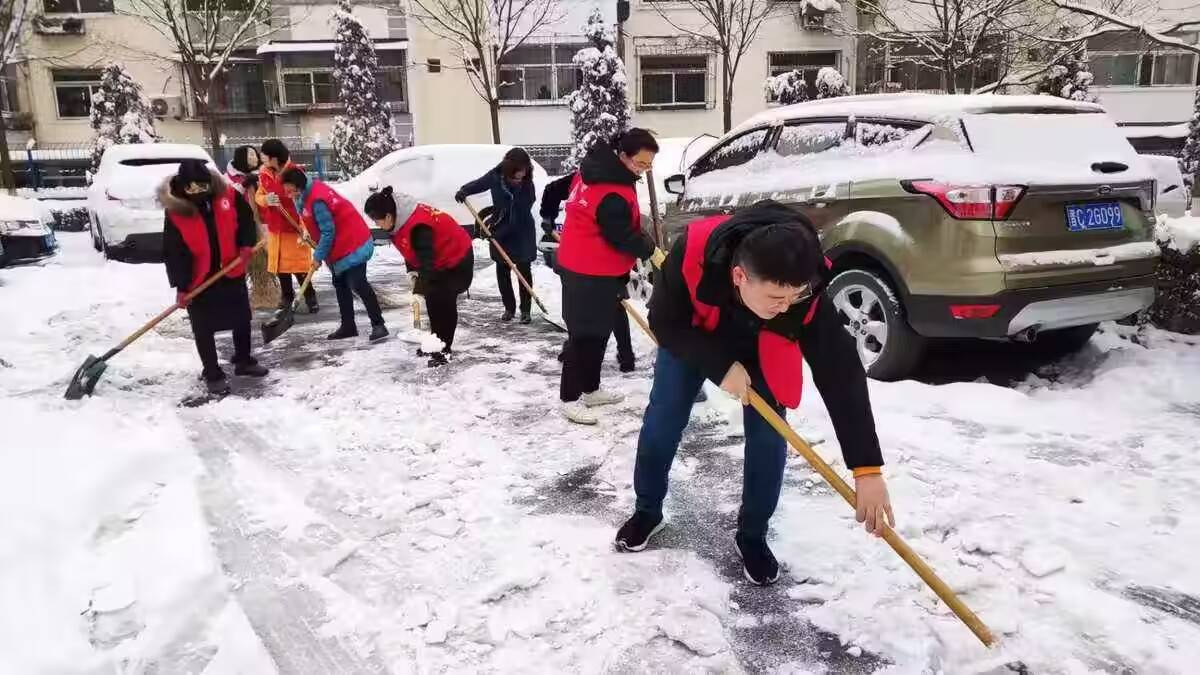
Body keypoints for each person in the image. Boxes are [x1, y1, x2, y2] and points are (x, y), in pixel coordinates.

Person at [613, 201, 894, 586]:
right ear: (740, 276)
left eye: (793, 297)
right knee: (663, 420)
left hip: (764, 346)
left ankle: (753, 535)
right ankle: (647, 510)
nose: (786, 307)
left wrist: (866, 469)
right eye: (776, 298)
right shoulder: (692, 252)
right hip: (695, 335)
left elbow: (840, 373)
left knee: (768, 438)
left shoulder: (803, 286)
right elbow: (664, 320)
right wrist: (719, 365)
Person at [555, 129, 661, 425]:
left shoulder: (596, 172)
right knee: (584, 336)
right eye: (641, 163)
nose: (644, 170)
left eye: (649, 164)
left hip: (596, 268)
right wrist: (649, 247)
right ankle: (570, 398)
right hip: (586, 272)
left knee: (599, 331)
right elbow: (622, 237)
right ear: (622, 155)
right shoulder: (611, 191)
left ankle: (590, 390)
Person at [161, 159, 269, 395]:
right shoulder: (176, 212)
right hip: (198, 278)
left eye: (202, 187)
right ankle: (212, 372)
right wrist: (181, 287)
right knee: (203, 327)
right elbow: (173, 251)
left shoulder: (228, 195)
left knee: (241, 318)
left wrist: (245, 245)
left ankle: (243, 361)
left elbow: (245, 221)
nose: (198, 192)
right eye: (191, 188)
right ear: (182, 187)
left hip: (231, 268)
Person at [364, 186, 474, 367]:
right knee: (433, 299)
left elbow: (426, 263)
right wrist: (412, 272)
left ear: (389, 216)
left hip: (457, 260)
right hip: (440, 260)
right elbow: (412, 252)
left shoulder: (418, 227)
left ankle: (443, 349)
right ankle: (435, 344)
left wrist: (419, 287)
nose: (377, 225)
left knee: (442, 302)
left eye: (377, 221)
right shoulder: (401, 220)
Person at [540, 172, 637, 373]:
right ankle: (583, 352)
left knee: (606, 307)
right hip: (580, 255)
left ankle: (624, 354)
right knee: (590, 307)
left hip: (596, 258)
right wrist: (547, 216)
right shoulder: (585, 177)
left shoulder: (612, 181)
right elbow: (552, 190)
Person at [281, 167, 388, 342]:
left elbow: (328, 231)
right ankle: (348, 326)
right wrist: (307, 231)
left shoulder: (317, 199)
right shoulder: (304, 195)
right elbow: (312, 221)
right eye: (287, 191)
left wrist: (317, 257)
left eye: (291, 191)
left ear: (299, 186)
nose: (289, 194)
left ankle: (379, 324)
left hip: (353, 242)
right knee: (339, 283)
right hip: (339, 246)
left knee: (358, 283)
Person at [455, 148, 537, 324]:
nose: (522, 174)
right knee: (502, 270)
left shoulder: (527, 185)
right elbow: (480, 184)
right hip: (501, 226)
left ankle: (526, 310)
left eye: (525, 169)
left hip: (521, 229)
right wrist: (464, 190)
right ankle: (509, 307)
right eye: (518, 171)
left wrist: (497, 232)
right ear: (509, 168)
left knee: (523, 270)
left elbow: (520, 212)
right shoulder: (496, 176)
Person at [257, 139, 318, 314]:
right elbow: (259, 196)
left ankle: (310, 296)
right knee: (279, 266)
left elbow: (306, 199)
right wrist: (265, 200)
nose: (263, 159)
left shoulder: (295, 173)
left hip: (294, 227)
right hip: (276, 227)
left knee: (298, 265)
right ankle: (287, 296)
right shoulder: (265, 174)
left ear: (275, 158)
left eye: (265, 156)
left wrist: (304, 227)